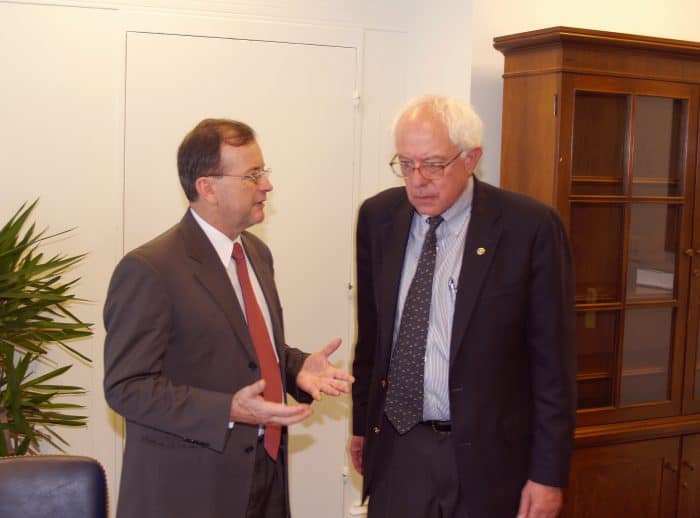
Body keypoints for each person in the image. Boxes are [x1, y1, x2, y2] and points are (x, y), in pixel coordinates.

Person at [104, 118, 354, 518]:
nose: (267, 186)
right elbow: (127, 388)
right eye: (253, 175)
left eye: (264, 172)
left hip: (265, 473)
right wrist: (228, 410)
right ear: (208, 188)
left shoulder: (256, 253)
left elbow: (247, 347)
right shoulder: (149, 269)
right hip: (191, 490)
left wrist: (295, 368)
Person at [349, 95, 575, 518]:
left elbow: (554, 368)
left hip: (489, 458)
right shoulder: (378, 218)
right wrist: (363, 426)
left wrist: (548, 474)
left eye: (433, 164)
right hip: (401, 448)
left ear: (472, 158)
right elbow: (373, 337)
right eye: (405, 163)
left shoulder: (529, 228)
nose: (417, 180)